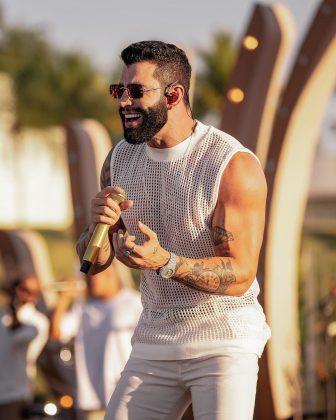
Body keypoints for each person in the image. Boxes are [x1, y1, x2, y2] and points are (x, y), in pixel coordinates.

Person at [76, 40, 271, 420]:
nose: (123, 102)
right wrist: (97, 226)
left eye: (136, 92)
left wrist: (165, 261)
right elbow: (92, 263)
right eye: (119, 91)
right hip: (154, 342)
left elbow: (241, 276)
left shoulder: (232, 164)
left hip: (224, 340)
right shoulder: (119, 159)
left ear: (174, 94)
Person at [50, 260, 142, 420]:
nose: (87, 281)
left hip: (126, 394)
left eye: (92, 277)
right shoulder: (83, 308)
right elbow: (56, 334)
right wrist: (63, 300)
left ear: (109, 274)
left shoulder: (134, 302)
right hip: (91, 399)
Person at [0, 274, 49, 420]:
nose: (20, 293)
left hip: (14, 392)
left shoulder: (38, 322)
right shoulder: (3, 314)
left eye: (26, 290)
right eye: (19, 288)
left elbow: (17, 337)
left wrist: (14, 309)